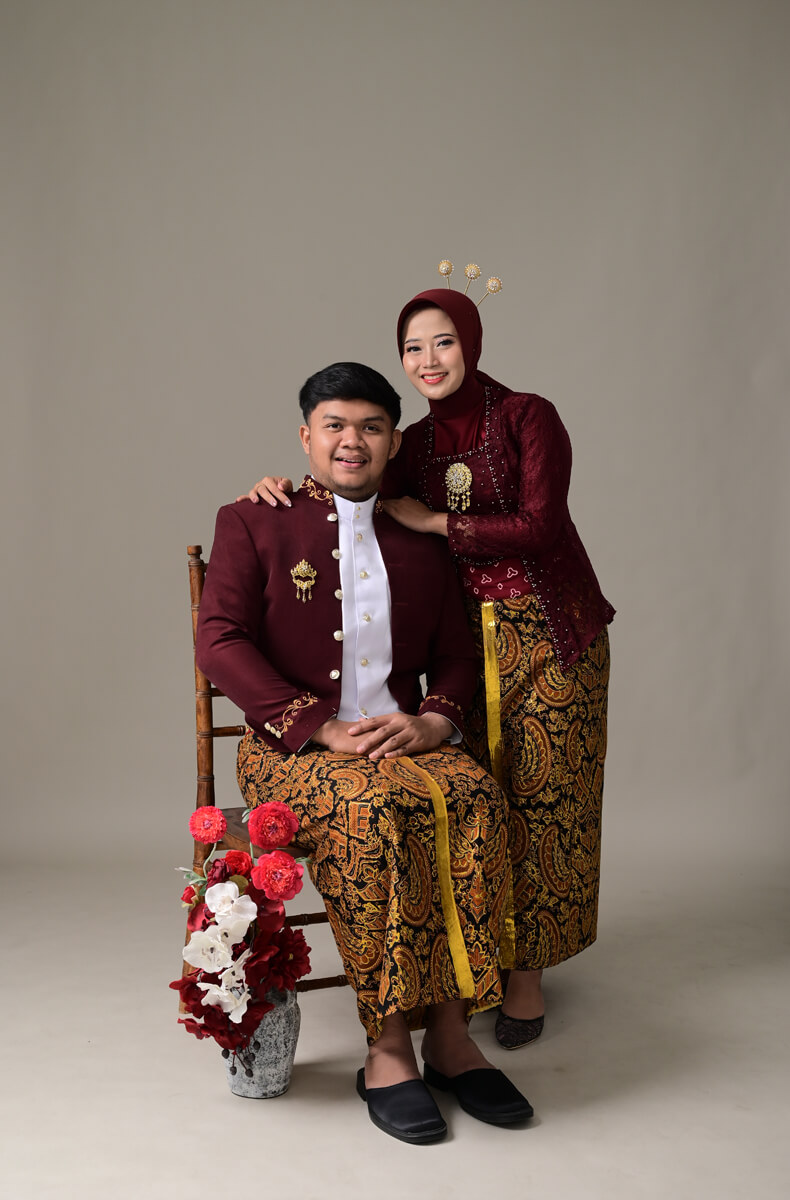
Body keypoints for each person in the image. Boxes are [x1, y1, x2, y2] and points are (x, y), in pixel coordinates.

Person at [241, 272, 614, 1051]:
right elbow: (353, 487)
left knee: (543, 801)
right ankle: (465, 970)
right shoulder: (406, 441)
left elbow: (541, 526)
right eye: (413, 348)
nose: (429, 359)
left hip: (544, 631)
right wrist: (281, 490)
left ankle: (524, 975)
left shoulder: (525, 415)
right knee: (476, 789)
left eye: (443, 342)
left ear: (470, 343)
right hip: (460, 642)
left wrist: (438, 522)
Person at [197, 361, 533, 1144]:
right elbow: (218, 641)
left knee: (477, 801)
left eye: (371, 427)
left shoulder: (417, 533)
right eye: (335, 426)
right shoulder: (254, 520)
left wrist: (435, 721)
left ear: (392, 441)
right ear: (306, 437)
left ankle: (450, 1037)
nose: (352, 441)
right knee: (373, 816)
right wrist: (318, 725)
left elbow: (454, 655)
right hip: (292, 750)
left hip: (402, 739)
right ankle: (386, 1049)